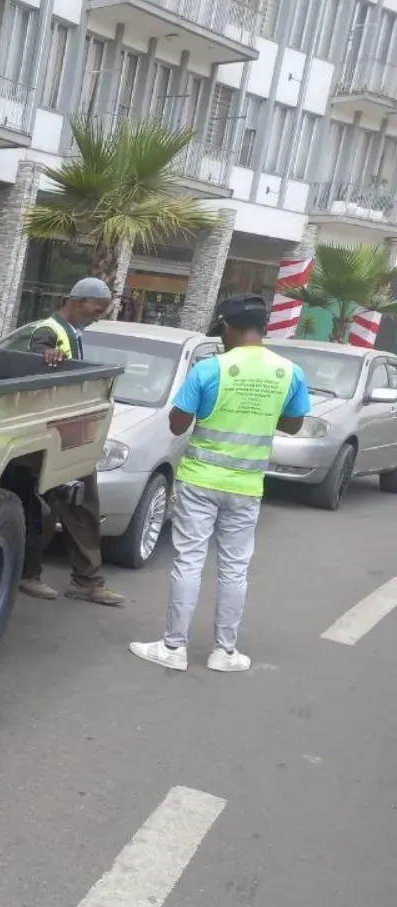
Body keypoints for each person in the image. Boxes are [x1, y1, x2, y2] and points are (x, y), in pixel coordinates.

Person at [129, 293, 309, 672]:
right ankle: (225, 652)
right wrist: (260, 412)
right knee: (234, 569)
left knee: (188, 561)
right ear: (262, 327)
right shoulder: (289, 372)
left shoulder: (210, 369)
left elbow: (177, 423)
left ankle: (174, 648)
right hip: (247, 486)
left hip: (200, 482)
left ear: (226, 326)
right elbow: (294, 424)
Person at [18, 277, 126, 607]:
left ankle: (83, 580)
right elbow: (37, 356)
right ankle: (32, 574)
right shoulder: (49, 331)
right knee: (53, 508)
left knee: (79, 507)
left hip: (71, 434)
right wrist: (46, 354)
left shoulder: (72, 332)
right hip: (54, 435)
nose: (98, 316)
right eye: (97, 308)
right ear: (79, 301)